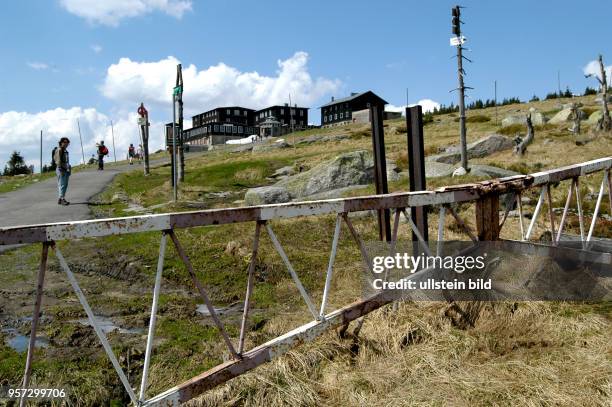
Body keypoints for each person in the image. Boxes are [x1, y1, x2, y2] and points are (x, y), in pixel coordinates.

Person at [53, 137, 71, 205]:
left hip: (66, 169)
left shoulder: (65, 151)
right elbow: (58, 160)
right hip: (61, 169)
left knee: (65, 185)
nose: (66, 144)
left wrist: (68, 168)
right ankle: (62, 198)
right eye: (65, 142)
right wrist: (61, 168)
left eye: (67, 143)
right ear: (61, 143)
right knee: (62, 185)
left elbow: (66, 161)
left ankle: (61, 199)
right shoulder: (59, 150)